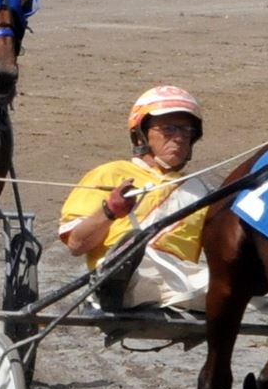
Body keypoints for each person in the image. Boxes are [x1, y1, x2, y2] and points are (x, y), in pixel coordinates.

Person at [58, 86, 216, 312]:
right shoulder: (110, 174)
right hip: (127, 273)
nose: (180, 138)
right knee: (134, 264)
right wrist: (110, 211)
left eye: (186, 130)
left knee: (228, 287)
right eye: (169, 129)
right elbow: (76, 244)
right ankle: (115, 279)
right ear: (140, 134)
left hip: (182, 283)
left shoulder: (202, 190)